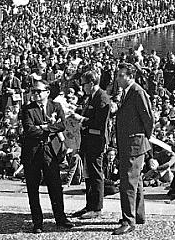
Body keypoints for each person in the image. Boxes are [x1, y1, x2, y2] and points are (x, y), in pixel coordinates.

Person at [19, 80, 75, 234]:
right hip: (32, 151)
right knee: (32, 187)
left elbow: (62, 125)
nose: (35, 94)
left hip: (50, 150)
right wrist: (50, 128)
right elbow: (29, 130)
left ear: (47, 92)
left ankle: (60, 218)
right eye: (33, 91)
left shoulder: (55, 106)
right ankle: (37, 222)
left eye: (38, 91)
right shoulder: (27, 109)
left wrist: (43, 127)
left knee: (55, 185)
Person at [113, 64, 154, 236]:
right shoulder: (127, 92)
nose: (118, 78)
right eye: (118, 75)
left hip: (134, 144)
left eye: (122, 75)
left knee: (128, 183)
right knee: (136, 181)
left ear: (131, 76)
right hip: (129, 143)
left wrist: (143, 137)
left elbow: (149, 119)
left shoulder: (137, 92)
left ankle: (128, 221)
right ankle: (138, 214)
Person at [71, 70, 111, 220]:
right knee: (88, 174)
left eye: (84, 84)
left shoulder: (102, 98)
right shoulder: (91, 97)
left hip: (96, 141)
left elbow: (99, 123)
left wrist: (81, 119)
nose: (82, 87)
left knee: (95, 174)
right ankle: (89, 205)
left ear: (91, 83)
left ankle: (97, 207)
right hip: (88, 141)